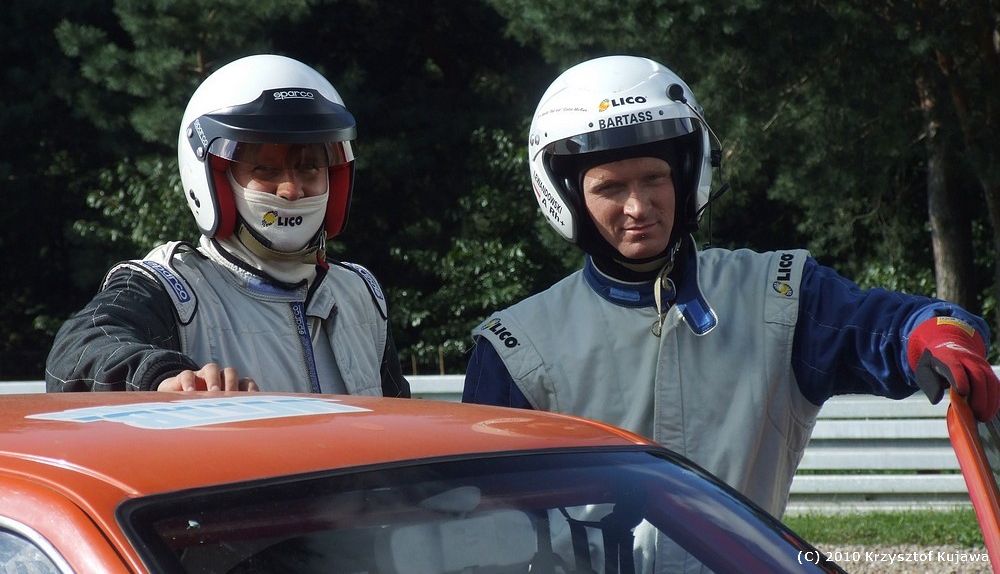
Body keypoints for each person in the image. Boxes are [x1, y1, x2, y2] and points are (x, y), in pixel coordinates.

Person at [463, 54, 999, 519]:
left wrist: (942, 333)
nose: (638, 206)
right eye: (610, 188)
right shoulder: (517, 349)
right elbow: (482, 519)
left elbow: (889, 328)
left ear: (686, 174)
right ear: (567, 196)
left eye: (654, 178)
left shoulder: (778, 296)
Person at [47, 54, 410, 398]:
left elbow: (399, 426)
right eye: (265, 169)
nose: (291, 189)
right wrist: (165, 378)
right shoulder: (173, 289)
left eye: (310, 167)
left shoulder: (360, 295)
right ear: (213, 177)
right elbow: (77, 352)